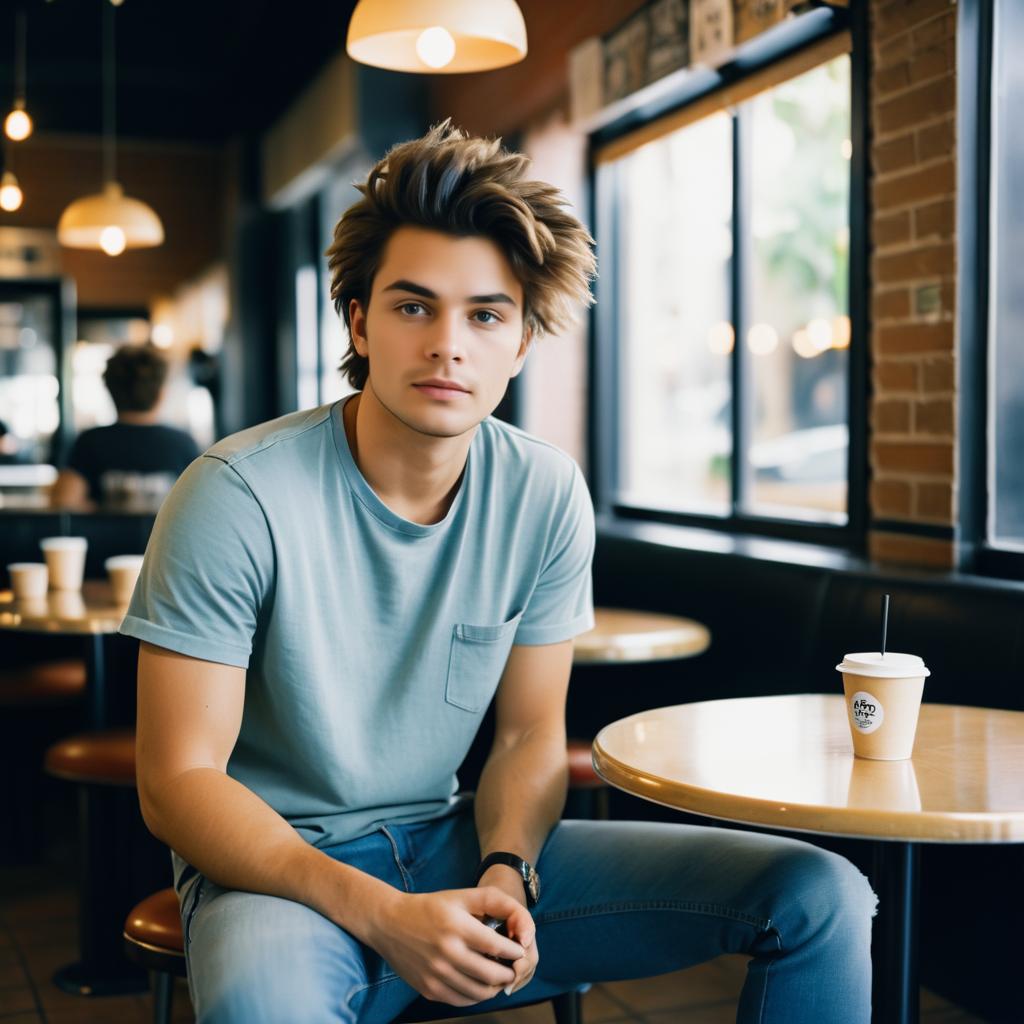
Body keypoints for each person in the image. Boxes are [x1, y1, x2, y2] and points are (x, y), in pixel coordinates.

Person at [121, 121, 876, 1024]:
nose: (450, 345)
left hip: (455, 843)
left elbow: (525, 740)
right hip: (276, 873)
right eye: (413, 307)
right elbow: (178, 781)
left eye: (485, 314)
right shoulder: (235, 493)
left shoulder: (547, 491)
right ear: (359, 321)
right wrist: (384, 915)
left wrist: (506, 868)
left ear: (521, 343)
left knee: (818, 892)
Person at [49, 343, 200, 510]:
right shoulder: (183, 444)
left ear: (110, 390)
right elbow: (200, 508)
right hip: (169, 537)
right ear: (161, 394)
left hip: (104, 537)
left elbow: (65, 502)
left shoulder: (90, 442)